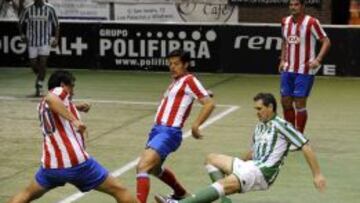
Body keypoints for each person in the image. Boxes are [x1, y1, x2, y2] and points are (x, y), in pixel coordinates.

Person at [154, 92, 326, 203]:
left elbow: (306, 146)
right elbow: (253, 152)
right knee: (211, 159)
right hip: (250, 167)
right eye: (255, 109)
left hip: (262, 173)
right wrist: (236, 166)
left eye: (260, 109)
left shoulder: (281, 125)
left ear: (271, 107)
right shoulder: (259, 126)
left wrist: (317, 174)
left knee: (224, 184)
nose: (257, 112)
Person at [7, 70, 138, 203]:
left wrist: (75, 107)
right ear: (63, 85)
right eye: (72, 87)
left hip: (51, 166)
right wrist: (74, 120)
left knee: (26, 194)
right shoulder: (57, 92)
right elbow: (51, 98)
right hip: (76, 163)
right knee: (119, 190)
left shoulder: (41, 106)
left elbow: (53, 106)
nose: (73, 91)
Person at [136, 49, 216, 203]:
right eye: (170, 64)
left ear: (186, 64)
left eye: (177, 64)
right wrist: (204, 92)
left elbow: (209, 103)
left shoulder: (188, 80)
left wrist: (196, 125)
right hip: (157, 131)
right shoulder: (176, 82)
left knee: (142, 167)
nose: (172, 67)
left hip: (168, 132)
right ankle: (180, 194)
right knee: (154, 169)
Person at [278, 0, 331, 143]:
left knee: (300, 104)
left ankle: (299, 137)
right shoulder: (285, 21)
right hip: (288, 70)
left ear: (302, 6)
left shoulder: (312, 22)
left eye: (296, 5)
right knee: (285, 102)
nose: (293, 7)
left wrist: (318, 60)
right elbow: (284, 41)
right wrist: (282, 60)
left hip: (305, 71)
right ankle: (290, 134)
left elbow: (326, 41)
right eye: (291, 5)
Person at [18, 0, 59, 97]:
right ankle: (41, 75)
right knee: (33, 64)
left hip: (45, 41)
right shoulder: (28, 9)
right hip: (32, 41)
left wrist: (56, 38)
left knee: (43, 63)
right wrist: (22, 35)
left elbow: (56, 25)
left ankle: (39, 85)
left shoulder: (50, 8)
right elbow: (20, 22)